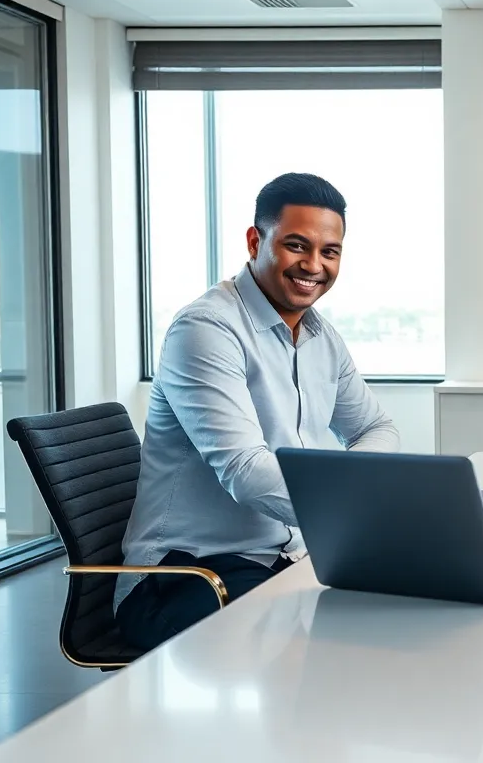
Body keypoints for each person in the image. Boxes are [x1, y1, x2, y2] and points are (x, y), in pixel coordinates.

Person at [115, 173, 400, 650]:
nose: (314, 265)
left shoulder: (321, 336)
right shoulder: (206, 329)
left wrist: (356, 495)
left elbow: (375, 427)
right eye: (296, 245)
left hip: (286, 559)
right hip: (189, 575)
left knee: (410, 610)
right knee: (328, 647)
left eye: (330, 251)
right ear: (255, 241)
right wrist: (357, 511)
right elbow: (247, 472)